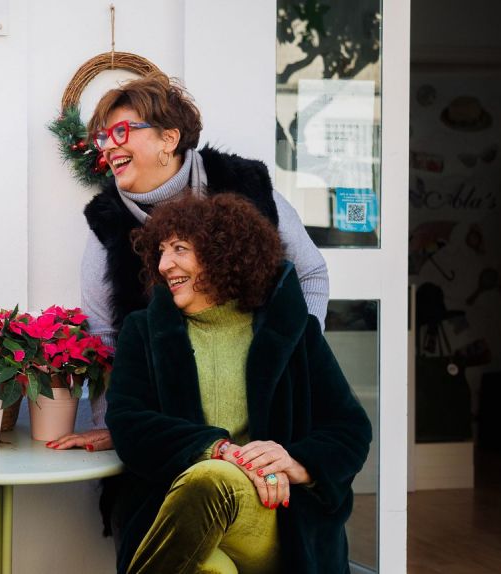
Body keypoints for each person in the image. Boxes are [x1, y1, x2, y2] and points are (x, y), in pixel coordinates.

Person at [47, 72, 328, 453]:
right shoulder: (107, 223)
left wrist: (298, 359)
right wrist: (118, 425)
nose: (109, 147)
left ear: (169, 138)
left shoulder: (243, 183)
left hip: (267, 413)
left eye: (122, 132)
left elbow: (310, 272)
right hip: (170, 430)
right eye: (103, 137)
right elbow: (104, 337)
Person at [105, 192, 371, 573]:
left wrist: (296, 462)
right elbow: (129, 423)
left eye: (180, 248)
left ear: (222, 253)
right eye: (160, 251)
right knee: (210, 567)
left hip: (274, 516)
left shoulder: (293, 333)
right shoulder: (144, 332)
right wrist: (218, 449)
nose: (165, 264)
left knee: (212, 481)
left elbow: (351, 430)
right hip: (177, 512)